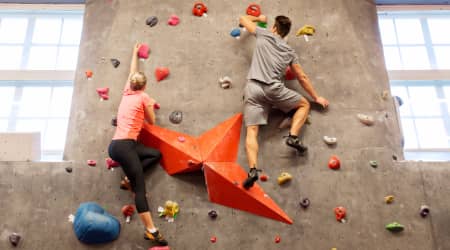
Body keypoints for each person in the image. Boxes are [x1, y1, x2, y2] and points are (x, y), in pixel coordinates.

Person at [239, 15, 329, 189]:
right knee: (304, 105)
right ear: (286, 33)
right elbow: (301, 77)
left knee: (252, 131)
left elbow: (242, 19)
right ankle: (293, 137)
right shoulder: (289, 52)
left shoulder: (263, 34)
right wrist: (316, 97)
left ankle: (252, 170)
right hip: (274, 89)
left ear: (274, 28)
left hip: (253, 88)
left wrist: (257, 17)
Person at [108, 43, 168, 246]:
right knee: (140, 189)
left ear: (132, 84)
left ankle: (127, 178)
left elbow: (132, 71)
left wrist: (134, 52)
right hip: (125, 147)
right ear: (145, 86)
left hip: (120, 145)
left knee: (154, 154)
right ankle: (151, 230)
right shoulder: (143, 97)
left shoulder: (127, 91)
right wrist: (149, 105)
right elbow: (152, 121)